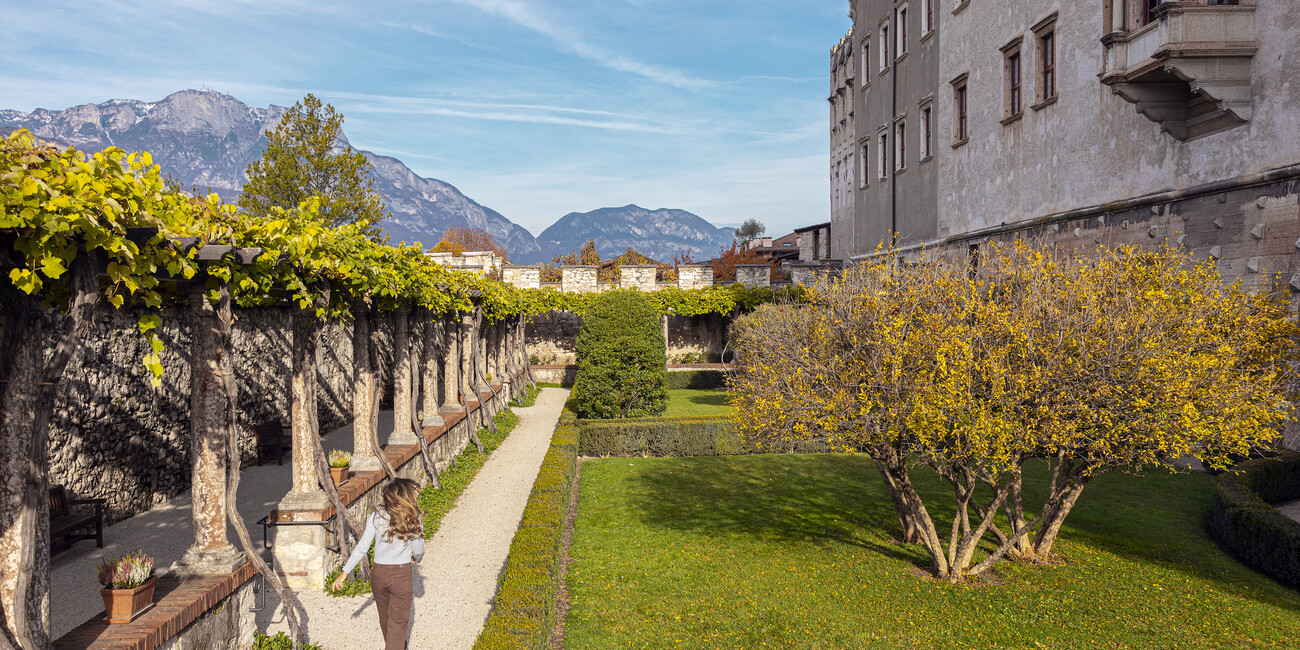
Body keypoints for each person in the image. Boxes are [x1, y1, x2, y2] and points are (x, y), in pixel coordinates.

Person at [333, 478, 425, 650]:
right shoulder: (414, 518)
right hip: (401, 574)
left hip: (379, 574)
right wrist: (416, 558)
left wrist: (344, 572)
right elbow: (419, 549)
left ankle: (398, 646)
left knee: (386, 618)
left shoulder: (376, 517)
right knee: (398, 622)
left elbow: (362, 547)